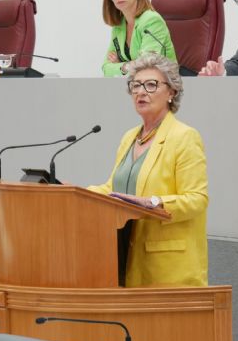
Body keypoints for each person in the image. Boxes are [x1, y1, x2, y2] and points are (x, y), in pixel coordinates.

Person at [89, 53, 208, 287]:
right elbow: (114, 188)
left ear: (171, 92)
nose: (141, 92)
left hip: (168, 269)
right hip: (124, 257)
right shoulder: (129, 138)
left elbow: (197, 199)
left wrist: (153, 203)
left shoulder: (184, 137)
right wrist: (74, 192)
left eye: (151, 85)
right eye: (135, 85)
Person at [102, 0, 177, 77]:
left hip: (166, 85)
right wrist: (126, 66)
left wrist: (120, 65)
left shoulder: (152, 20)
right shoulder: (118, 26)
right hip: (136, 86)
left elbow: (145, 68)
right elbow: (105, 68)